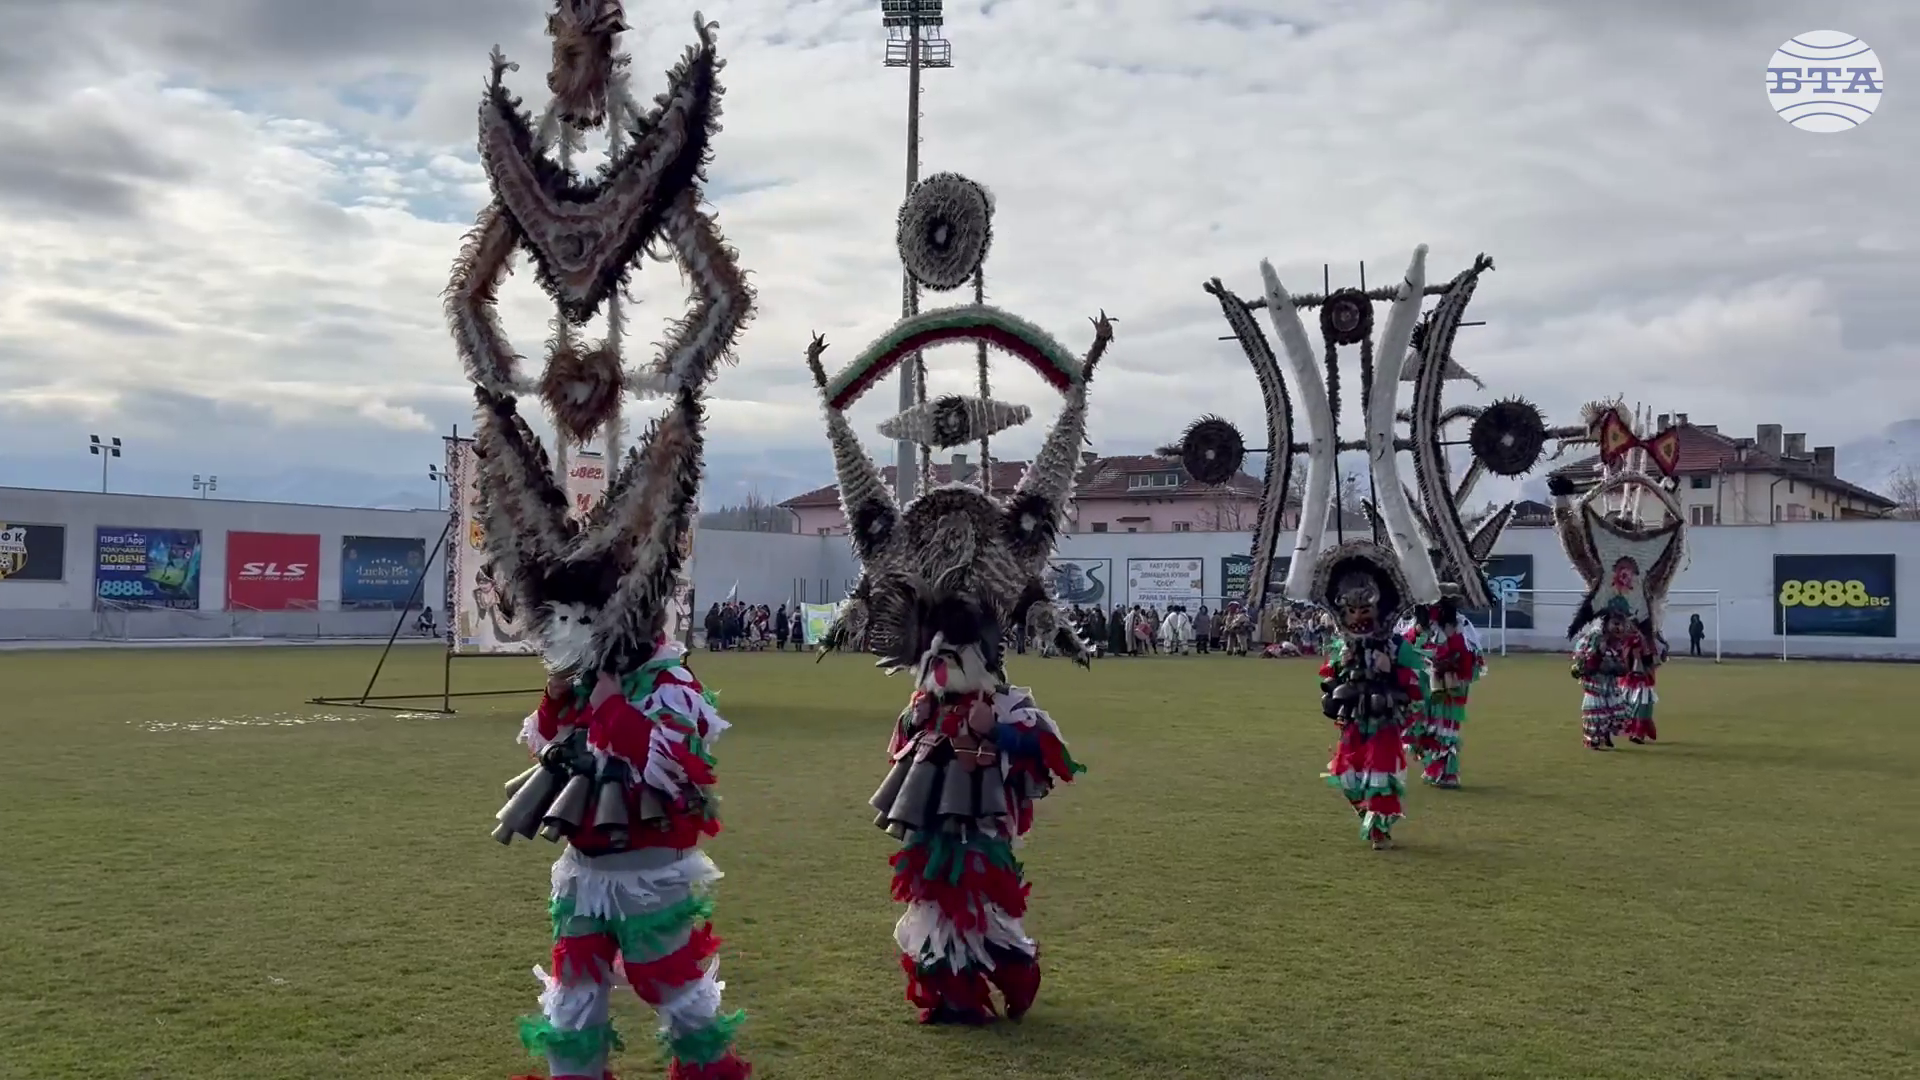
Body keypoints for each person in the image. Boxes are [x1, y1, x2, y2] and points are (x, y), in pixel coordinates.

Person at [1315, 546, 1423, 850]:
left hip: (1384, 719)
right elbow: (1329, 678)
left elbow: (1418, 684)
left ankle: (1379, 829)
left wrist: (1392, 672)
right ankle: (1367, 813)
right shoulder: (1342, 645)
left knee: (1380, 775)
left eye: (1364, 610)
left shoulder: (1396, 645)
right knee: (1347, 777)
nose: (1358, 618)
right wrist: (1338, 672)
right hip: (1352, 719)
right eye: (1351, 611)